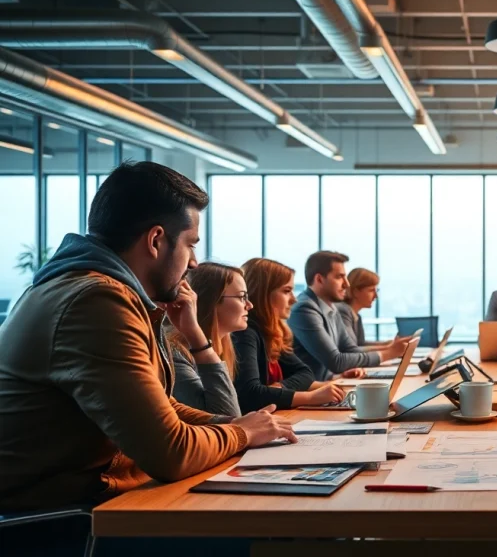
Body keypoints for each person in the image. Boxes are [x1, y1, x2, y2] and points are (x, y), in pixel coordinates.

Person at [0, 162, 294, 512]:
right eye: (190, 245)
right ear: (155, 240)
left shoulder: (89, 289)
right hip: (61, 522)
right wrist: (243, 434)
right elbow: (171, 452)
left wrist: (234, 423)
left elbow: (159, 407)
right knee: (271, 527)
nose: (195, 263)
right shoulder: (96, 301)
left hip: (92, 503)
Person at [233, 258, 351, 413]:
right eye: (287, 291)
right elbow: (251, 394)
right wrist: (309, 398)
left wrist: (281, 387)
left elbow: (305, 373)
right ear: (263, 294)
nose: (294, 299)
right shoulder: (245, 334)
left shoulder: (271, 333)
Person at [289, 251, 407, 381]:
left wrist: (389, 349)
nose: (347, 284)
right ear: (319, 279)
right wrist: (388, 353)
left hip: (329, 384)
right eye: (339, 277)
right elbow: (336, 361)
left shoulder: (331, 307)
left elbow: (349, 349)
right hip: (311, 393)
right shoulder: (305, 309)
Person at [167, 262, 247, 417]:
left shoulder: (223, 345)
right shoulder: (175, 353)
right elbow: (228, 417)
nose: (249, 305)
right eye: (242, 297)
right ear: (212, 301)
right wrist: (201, 344)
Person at [337, 267, 392, 349]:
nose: (376, 296)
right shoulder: (343, 312)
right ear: (355, 292)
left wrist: (386, 344)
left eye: (376, 290)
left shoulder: (356, 316)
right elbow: (351, 350)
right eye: (371, 290)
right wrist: (389, 349)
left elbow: (360, 344)